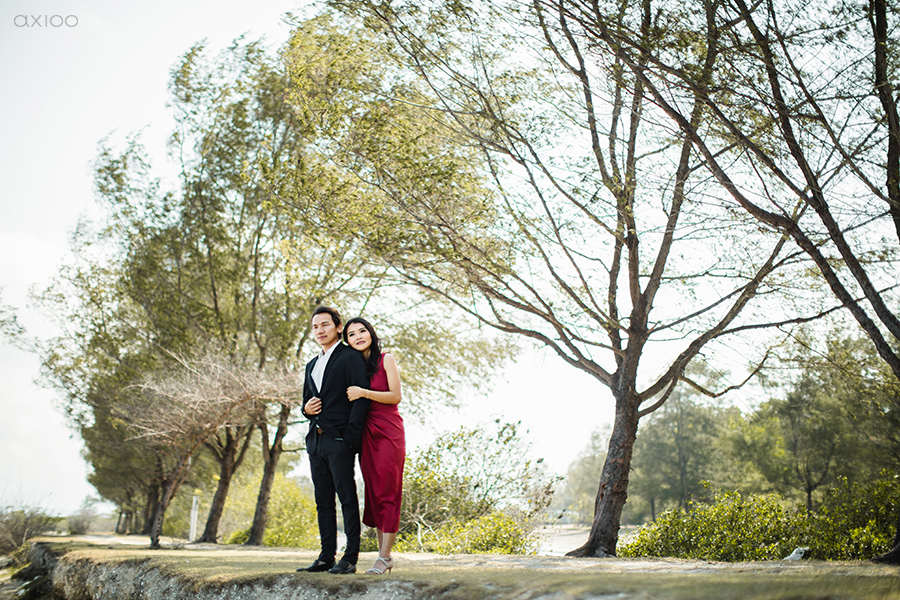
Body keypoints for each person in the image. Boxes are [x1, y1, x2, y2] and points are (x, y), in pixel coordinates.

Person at [299, 306, 371, 575]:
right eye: (315, 327)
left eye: (325, 325)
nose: (319, 330)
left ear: (338, 327)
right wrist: (305, 410)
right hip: (315, 442)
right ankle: (326, 556)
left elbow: (361, 399)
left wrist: (349, 438)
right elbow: (305, 403)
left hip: (339, 440)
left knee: (347, 498)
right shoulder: (311, 365)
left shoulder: (350, 357)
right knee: (323, 501)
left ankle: (350, 557)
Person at [342, 317, 405, 575]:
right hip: (366, 432)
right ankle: (383, 556)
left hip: (388, 430)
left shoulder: (386, 359)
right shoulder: (354, 366)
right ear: (347, 341)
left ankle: (385, 556)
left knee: (388, 489)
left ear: (371, 333)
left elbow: (395, 396)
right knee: (375, 492)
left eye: (362, 331)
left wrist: (364, 393)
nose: (358, 336)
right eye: (352, 334)